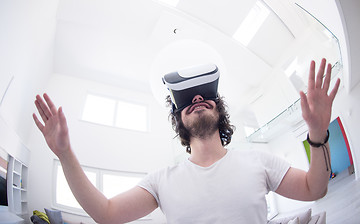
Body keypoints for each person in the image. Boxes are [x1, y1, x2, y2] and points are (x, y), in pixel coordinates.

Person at [33, 58, 340, 223]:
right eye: (188, 99)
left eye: (207, 96)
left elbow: (316, 187)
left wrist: (317, 132)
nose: (197, 98)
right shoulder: (161, 181)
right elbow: (107, 214)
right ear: (179, 119)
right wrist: (64, 154)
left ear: (219, 109)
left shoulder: (259, 161)